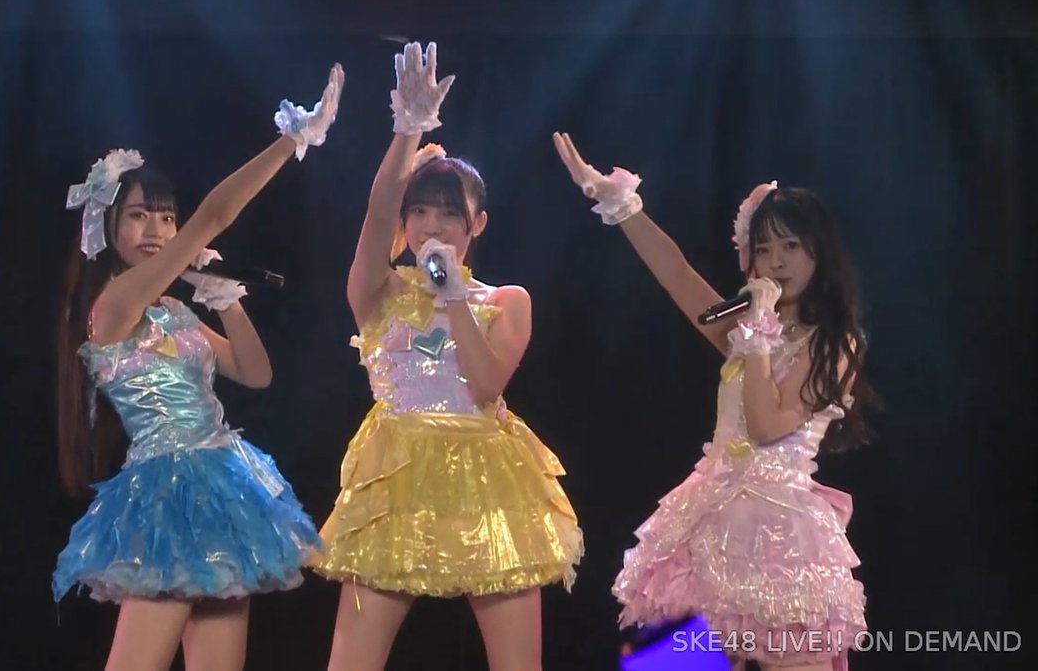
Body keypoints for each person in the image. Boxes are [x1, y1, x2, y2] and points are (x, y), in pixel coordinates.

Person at [51, 64, 343, 671]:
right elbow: (214, 215)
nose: (157, 230)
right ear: (108, 223)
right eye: (139, 215)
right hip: (167, 494)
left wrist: (225, 299)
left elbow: (256, 374)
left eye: (166, 217)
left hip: (220, 490)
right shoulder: (114, 305)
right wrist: (290, 141)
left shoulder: (173, 312)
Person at [553, 132, 876, 671]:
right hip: (708, 519)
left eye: (790, 246)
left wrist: (758, 332)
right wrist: (622, 205)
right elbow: (676, 274)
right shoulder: (747, 327)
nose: (775, 261)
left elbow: (767, 425)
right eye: (764, 249)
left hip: (783, 535)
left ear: (819, 252)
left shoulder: (833, 343)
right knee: (668, 661)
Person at [310, 43, 583, 671]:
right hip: (396, 477)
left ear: (477, 224)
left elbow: (485, 384)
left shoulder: (507, 301)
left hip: (490, 480)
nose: (432, 226)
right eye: (420, 211)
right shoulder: (377, 291)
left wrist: (454, 294)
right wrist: (407, 129)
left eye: (449, 214)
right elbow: (376, 214)